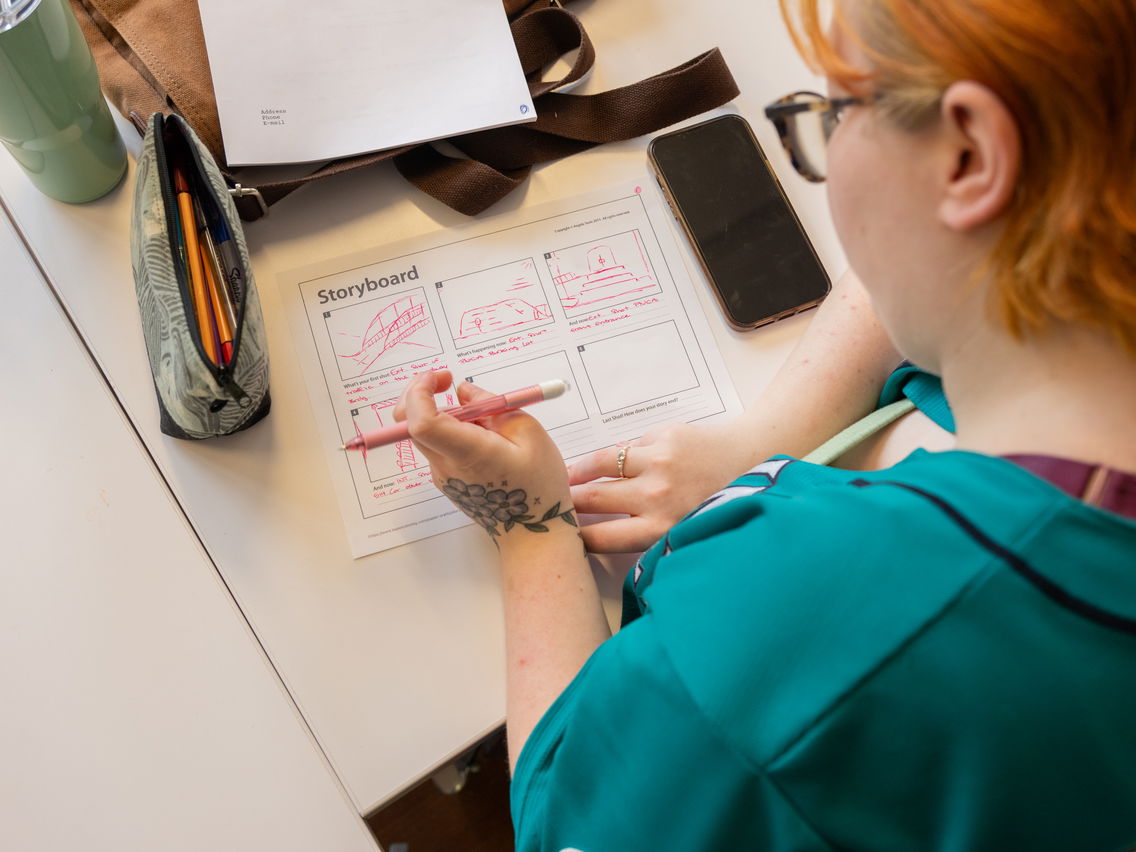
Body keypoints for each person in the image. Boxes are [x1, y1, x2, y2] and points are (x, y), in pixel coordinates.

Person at [397, 0, 1136, 847]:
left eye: (835, 112)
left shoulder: (802, 641)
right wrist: (773, 431)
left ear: (970, 156)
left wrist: (529, 524)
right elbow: (941, 255)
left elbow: (566, 807)